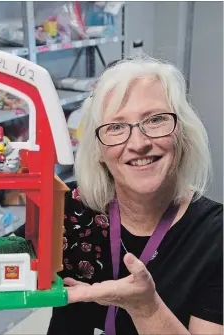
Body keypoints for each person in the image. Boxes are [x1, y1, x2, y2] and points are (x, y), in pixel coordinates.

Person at [46, 56, 223, 334]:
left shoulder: (216, 236)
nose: (139, 144)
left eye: (155, 120)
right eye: (116, 127)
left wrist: (147, 309)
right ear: (98, 152)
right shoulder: (71, 214)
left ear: (183, 134)